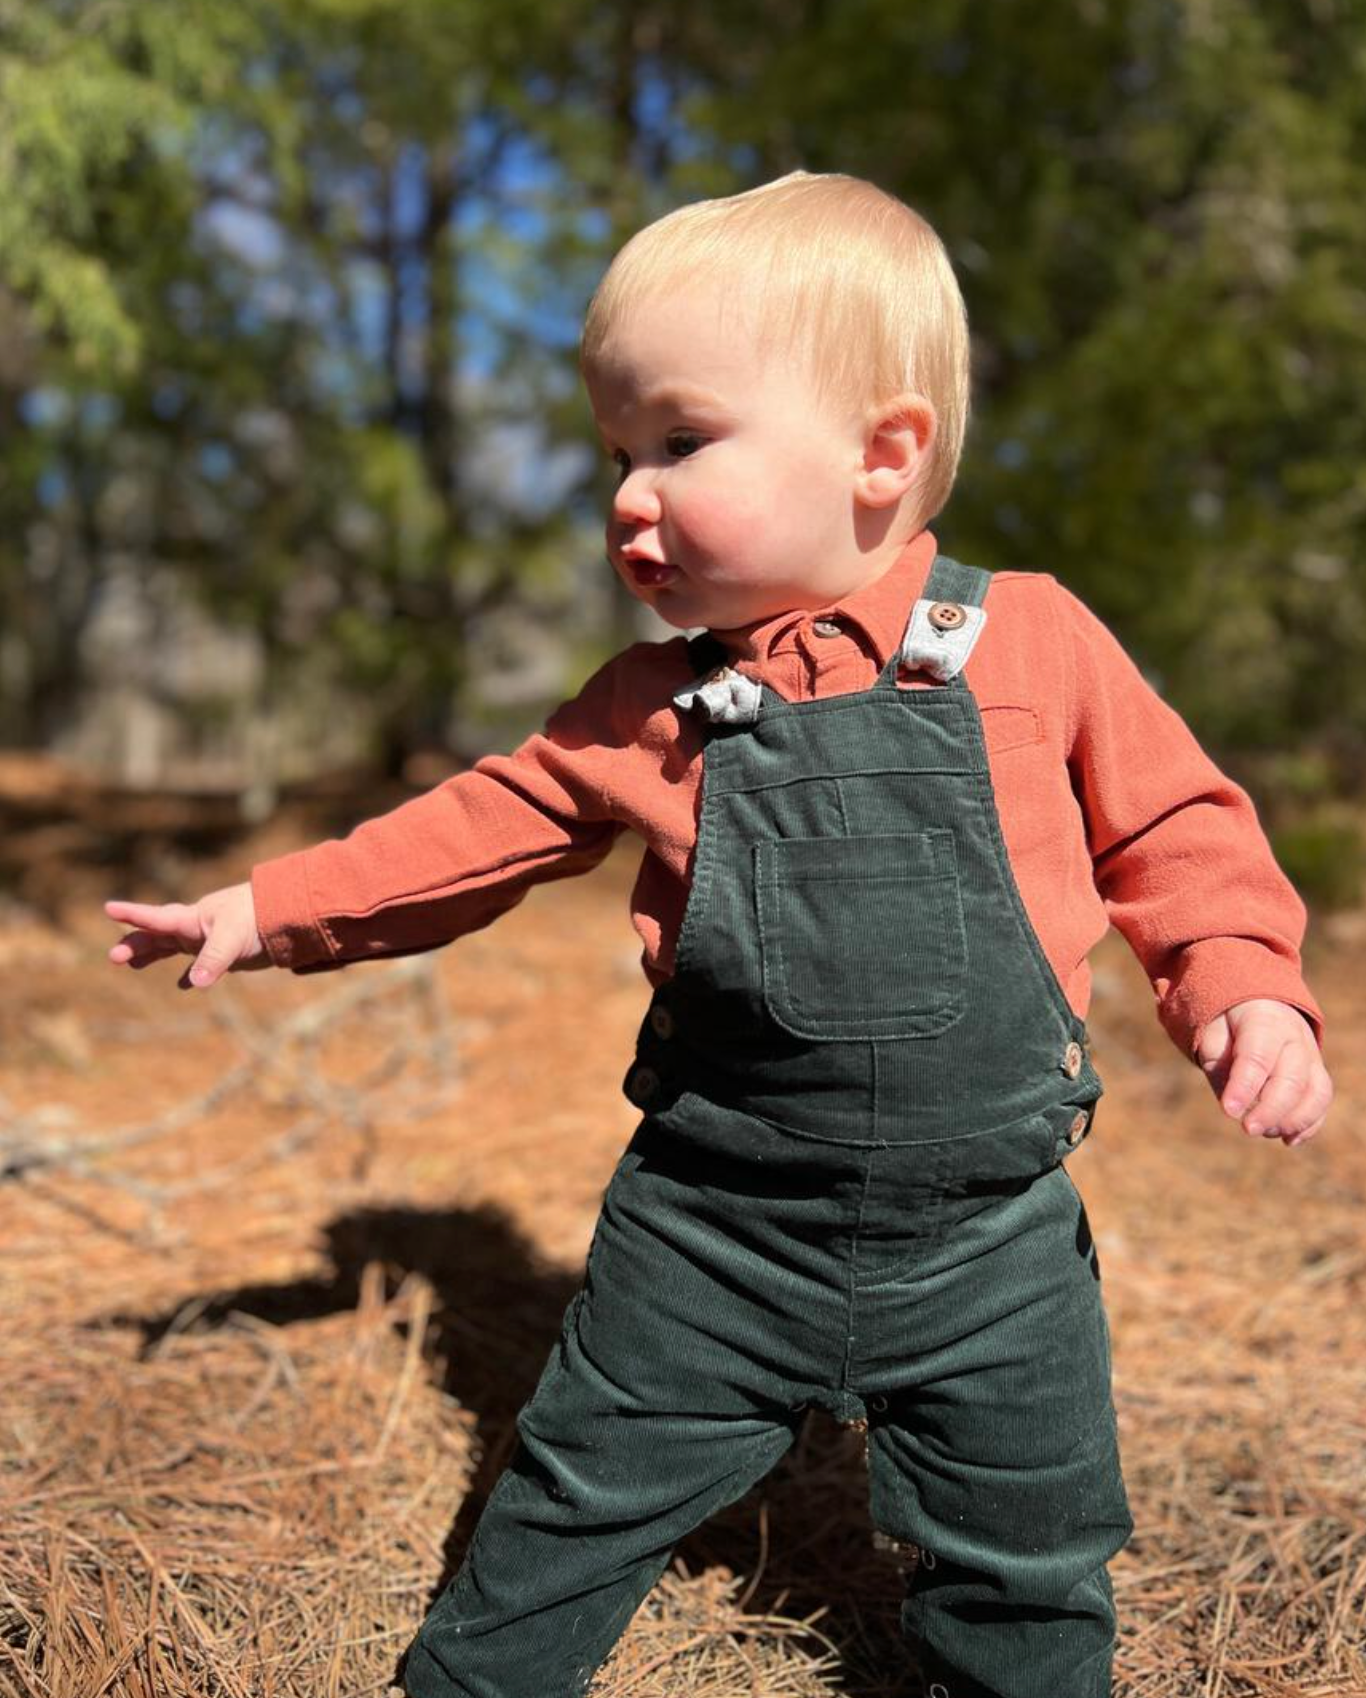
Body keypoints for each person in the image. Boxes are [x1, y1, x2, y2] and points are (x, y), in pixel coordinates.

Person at [105, 171, 1333, 1698]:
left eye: (680, 442)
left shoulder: (1028, 641)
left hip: (988, 1246)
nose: (629, 493)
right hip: (710, 1232)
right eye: (615, 452)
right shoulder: (653, 707)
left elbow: (1176, 829)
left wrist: (1243, 988)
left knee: (1028, 1556)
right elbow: (470, 830)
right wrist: (268, 907)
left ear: (880, 454)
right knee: (564, 1507)